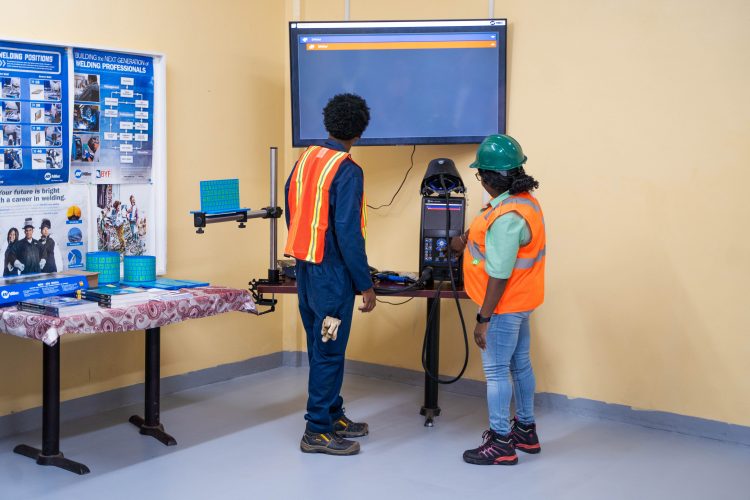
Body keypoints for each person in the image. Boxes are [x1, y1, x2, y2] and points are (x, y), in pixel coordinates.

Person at [284, 93, 376, 456]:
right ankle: (317, 430)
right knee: (329, 350)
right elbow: (348, 233)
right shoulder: (348, 169)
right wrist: (364, 284)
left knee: (321, 346)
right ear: (360, 131)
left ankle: (333, 412)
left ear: (328, 123)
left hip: (306, 269)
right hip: (332, 276)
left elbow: (294, 210)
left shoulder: (306, 159)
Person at [452, 135, 546, 466]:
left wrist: (483, 319)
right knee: (520, 364)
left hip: (504, 306)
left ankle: (502, 442)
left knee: (495, 371)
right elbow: (485, 234)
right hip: (522, 302)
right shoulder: (523, 202)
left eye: (479, 176)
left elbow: (500, 273)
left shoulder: (507, 217)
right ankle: (526, 431)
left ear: (489, 177)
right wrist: (463, 240)